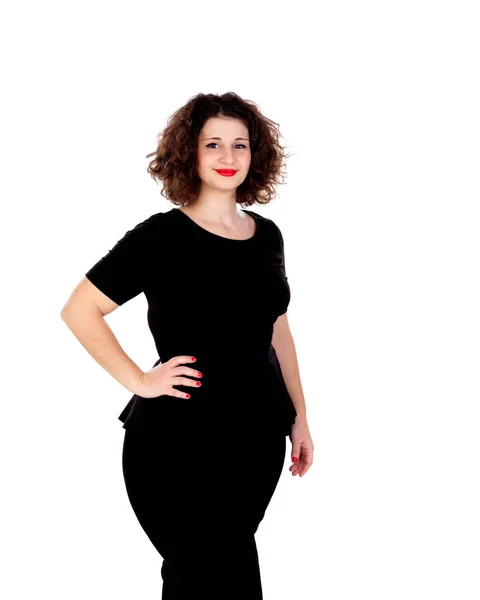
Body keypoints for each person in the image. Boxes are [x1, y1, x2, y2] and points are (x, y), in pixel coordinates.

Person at [60, 91, 314, 599]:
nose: (227, 157)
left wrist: (300, 416)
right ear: (189, 153)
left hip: (255, 442)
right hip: (176, 444)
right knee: (226, 584)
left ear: (256, 154)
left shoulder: (268, 236)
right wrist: (140, 379)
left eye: (240, 145)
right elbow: (79, 310)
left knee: (190, 584)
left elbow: (277, 330)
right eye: (212, 144)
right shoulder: (160, 237)